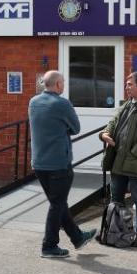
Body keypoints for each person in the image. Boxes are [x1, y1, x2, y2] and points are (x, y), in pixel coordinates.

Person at [28, 70, 96, 258]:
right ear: (57, 85)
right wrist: (62, 126)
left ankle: (78, 237)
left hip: (39, 163)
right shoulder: (62, 104)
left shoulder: (33, 102)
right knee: (57, 205)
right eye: (63, 82)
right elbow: (76, 128)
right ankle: (49, 246)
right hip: (58, 163)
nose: (64, 85)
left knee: (57, 203)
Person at [99, 71, 137, 248]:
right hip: (119, 161)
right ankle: (114, 232)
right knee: (116, 197)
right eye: (126, 84)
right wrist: (104, 133)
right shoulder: (127, 104)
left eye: (130, 84)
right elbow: (113, 122)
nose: (126, 87)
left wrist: (132, 153)